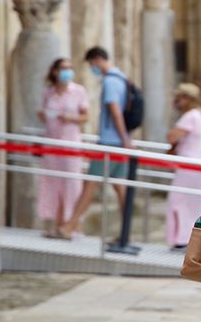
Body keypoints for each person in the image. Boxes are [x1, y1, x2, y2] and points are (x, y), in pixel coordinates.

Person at [59, 46, 130, 238]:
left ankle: (70, 225)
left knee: (90, 185)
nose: (93, 68)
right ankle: (126, 232)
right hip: (119, 143)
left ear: (98, 60)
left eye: (92, 64)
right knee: (120, 187)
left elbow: (115, 111)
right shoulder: (121, 78)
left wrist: (124, 139)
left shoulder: (110, 82)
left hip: (110, 143)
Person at [36, 58, 90, 238]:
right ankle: (56, 224)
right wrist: (45, 115)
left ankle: (72, 225)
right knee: (52, 183)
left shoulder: (78, 91)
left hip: (70, 142)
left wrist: (71, 117)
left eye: (70, 68)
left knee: (72, 184)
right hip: (51, 143)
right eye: (64, 68)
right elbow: (44, 114)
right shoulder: (48, 92)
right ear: (55, 71)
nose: (67, 71)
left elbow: (86, 116)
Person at [166, 83, 201, 249]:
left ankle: (182, 238)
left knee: (178, 201)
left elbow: (172, 137)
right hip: (196, 165)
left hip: (189, 165)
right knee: (193, 203)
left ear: (186, 99)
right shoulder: (200, 115)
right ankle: (191, 238)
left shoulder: (190, 116)